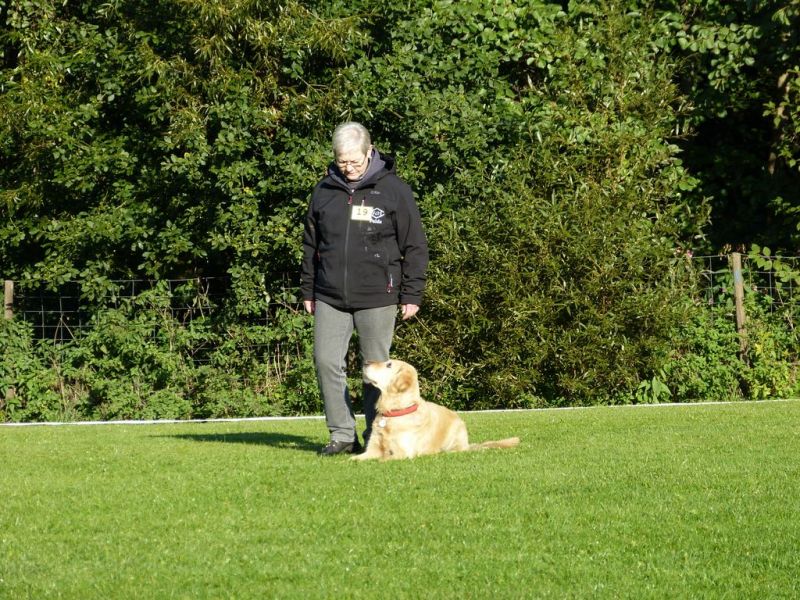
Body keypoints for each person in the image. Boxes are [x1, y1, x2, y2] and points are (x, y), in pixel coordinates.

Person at [301, 122, 429, 455]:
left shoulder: (394, 190)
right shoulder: (323, 191)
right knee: (326, 361)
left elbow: (415, 245)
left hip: (377, 295)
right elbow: (311, 244)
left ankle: (375, 435)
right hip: (329, 295)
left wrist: (412, 293)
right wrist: (308, 290)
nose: (348, 168)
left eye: (354, 161)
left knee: (375, 371)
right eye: (342, 161)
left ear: (369, 152)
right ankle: (342, 435)